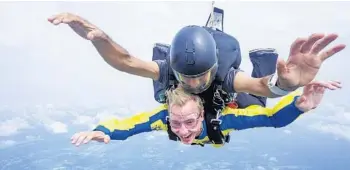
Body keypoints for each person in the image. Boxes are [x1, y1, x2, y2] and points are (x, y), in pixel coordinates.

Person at [48, 12, 345, 144]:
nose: (193, 84)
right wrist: (97, 38)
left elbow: (261, 90)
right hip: (194, 105)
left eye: (200, 76)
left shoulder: (226, 80)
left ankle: (262, 57)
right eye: (186, 78)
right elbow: (124, 62)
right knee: (161, 93)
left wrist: (288, 85)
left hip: (225, 102)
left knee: (254, 103)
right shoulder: (166, 84)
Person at [70, 80, 341, 147]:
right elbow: (126, 127)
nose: (183, 131)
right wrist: (101, 132)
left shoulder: (222, 120)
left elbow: (269, 119)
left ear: (202, 116)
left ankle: (262, 62)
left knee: (256, 103)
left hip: (234, 103)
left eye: (189, 122)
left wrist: (299, 104)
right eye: (175, 123)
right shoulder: (162, 120)